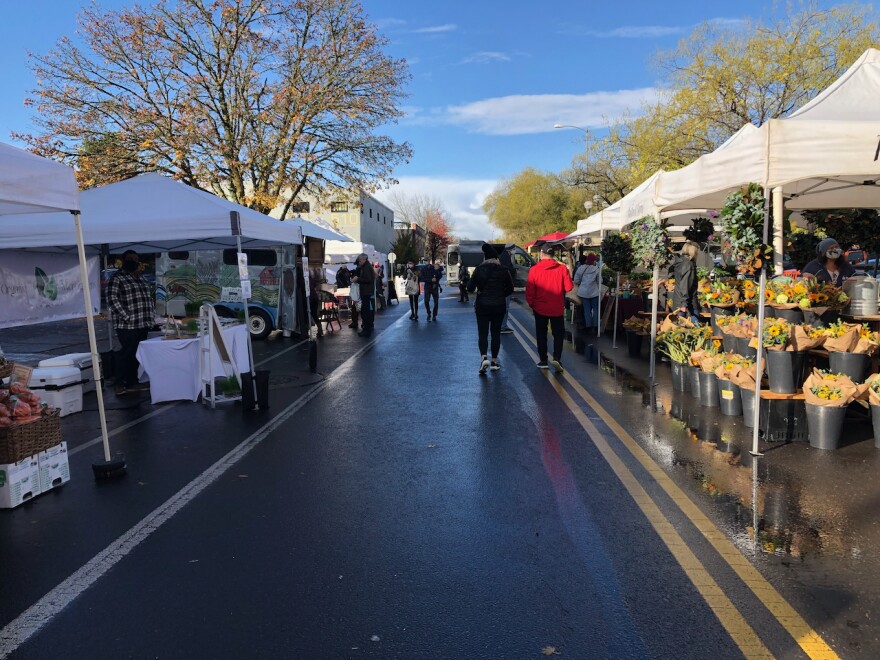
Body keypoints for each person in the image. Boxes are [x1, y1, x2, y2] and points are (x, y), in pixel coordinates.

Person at [106, 250, 155, 395]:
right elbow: (112, 300)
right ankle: (119, 383)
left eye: (136, 259)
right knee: (126, 354)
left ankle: (132, 382)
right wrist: (126, 316)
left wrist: (152, 317)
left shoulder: (142, 278)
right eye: (130, 259)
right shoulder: (117, 278)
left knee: (136, 355)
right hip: (127, 325)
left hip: (143, 323)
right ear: (123, 260)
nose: (133, 261)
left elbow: (148, 298)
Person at [525, 244, 573, 372]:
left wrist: (532, 304)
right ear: (553, 255)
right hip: (556, 307)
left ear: (541, 254)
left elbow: (530, 290)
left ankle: (543, 360)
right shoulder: (562, 269)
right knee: (558, 334)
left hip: (540, 307)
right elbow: (569, 288)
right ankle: (557, 357)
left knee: (541, 334)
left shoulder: (534, 270)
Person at [467, 244, 514, 374]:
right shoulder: (504, 270)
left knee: (482, 333)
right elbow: (510, 289)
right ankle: (494, 361)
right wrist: (500, 295)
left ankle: (483, 358)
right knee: (495, 334)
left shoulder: (479, 269)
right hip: (499, 306)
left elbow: (469, 288)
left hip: (482, 306)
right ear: (496, 258)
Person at [672, 241, 701, 325]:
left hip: (678, 299)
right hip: (688, 303)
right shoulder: (688, 264)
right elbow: (685, 284)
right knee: (695, 330)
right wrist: (684, 304)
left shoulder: (679, 262)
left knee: (678, 331)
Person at [573, 253, 602, 332]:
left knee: (586, 309)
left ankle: (588, 325)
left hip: (583, 293)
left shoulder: (580, 268)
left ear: (587, 260)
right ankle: (596, 326)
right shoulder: (596, 269)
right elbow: (600, 281)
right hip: (594, 292)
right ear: (593, 261)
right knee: (596, 309)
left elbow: (576, 280)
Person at [351, 253, 376, 337]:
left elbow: (368, 279)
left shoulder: (367, 267)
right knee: (365, 311)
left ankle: (366, 329)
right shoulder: (365, 267)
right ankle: (366, 328)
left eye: (360, 261)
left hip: (366, 292)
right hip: (366, 291)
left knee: (365, 311)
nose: (359, 262)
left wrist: (358, 279)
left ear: (364, 260)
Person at [499, 243, 516, 333]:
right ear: (510, 249)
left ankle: (502, 325)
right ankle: (503, 326)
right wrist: (514, 270)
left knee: (504, 307)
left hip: (504, 286)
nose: (514, 250)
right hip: (505, 287)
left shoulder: (504, 256)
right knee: (505, 307)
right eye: (514, 249)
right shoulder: (505, 258)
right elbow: (507, 270)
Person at [308, 266, 325, 338]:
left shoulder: (305, 280)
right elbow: (315, 287)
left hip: (310, 298)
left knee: (309, 314)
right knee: (314, 314)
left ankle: (318, 330)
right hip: (314, 298)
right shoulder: (311, 279)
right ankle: (320, 330)